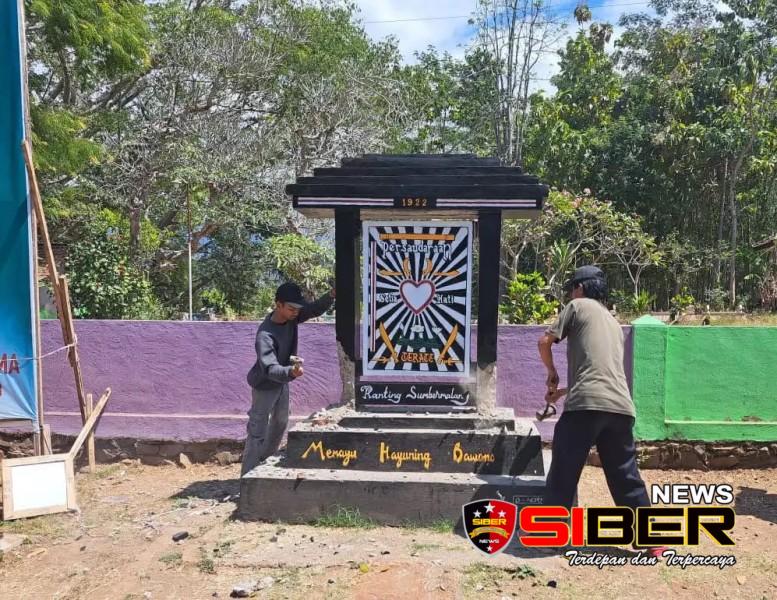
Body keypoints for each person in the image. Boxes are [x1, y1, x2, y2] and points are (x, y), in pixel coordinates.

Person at [537, 265, 665, 557]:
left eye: (572, 288)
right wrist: (562, 391)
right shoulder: (613, 322)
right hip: (620, 408)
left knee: (564, 470)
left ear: (580, 288)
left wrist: (551, 372)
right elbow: (600, 373)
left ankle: (550, 534)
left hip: (584, 408)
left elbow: (544, 342)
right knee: (625, 475)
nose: (571, 293)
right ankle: (652, 539)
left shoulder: (577, 306)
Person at [242, 282, 335, 475]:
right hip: (265, 386)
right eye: (292, 308)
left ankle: (265, 464)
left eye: (298, 309)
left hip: (282, 382)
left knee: (280, 422)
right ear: (278, 305)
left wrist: (331, 295)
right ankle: (248, 477)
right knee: (257, 431)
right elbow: (269, 368)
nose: (296, 312)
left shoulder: (292, 317)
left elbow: (313, 309)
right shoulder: (265, 335)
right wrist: (291, 372)